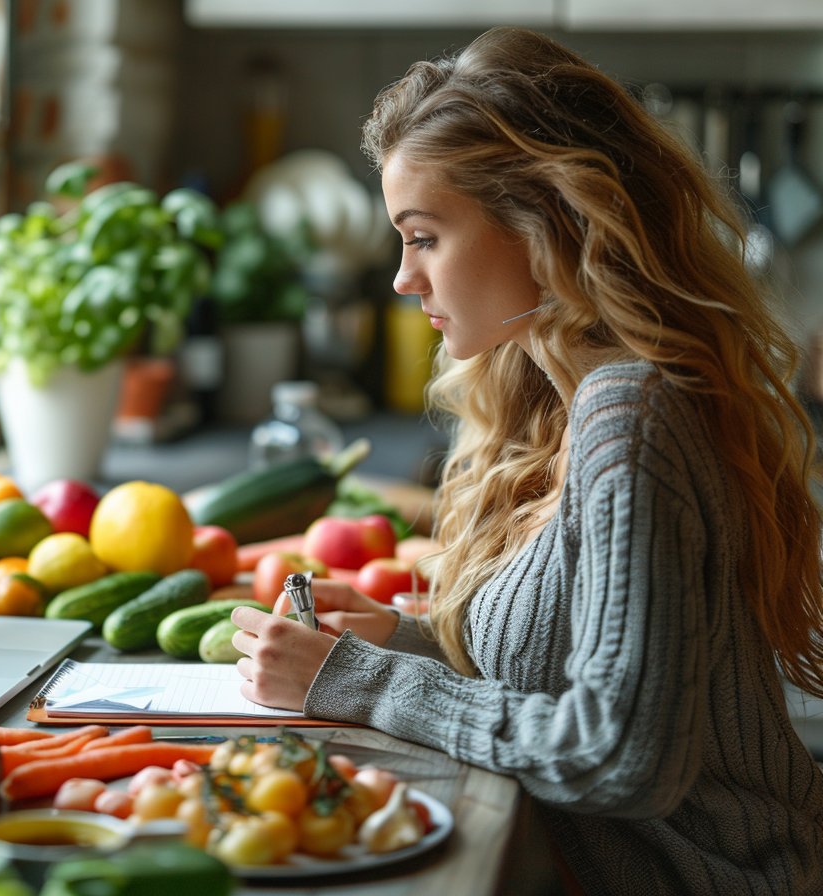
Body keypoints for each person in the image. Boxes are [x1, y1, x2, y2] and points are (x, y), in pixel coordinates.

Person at [230, 27, 823, 896]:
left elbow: (620, 756)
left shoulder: (632, 417)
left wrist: (360, 679)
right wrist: (407, 640)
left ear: (543, 220)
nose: (402, 277)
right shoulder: (558, 404)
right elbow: (568, 660)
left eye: (424, 236)